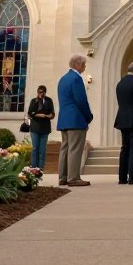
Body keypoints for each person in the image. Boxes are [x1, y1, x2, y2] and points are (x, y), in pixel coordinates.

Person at [56, 54, 93, 187]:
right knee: (75, 149)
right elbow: (81, 101)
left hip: (64, 119)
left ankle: (63, 177)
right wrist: (89, 116)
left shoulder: (63, 79)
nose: (84, 67)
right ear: (77, 64)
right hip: (76, 119)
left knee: (64, 148)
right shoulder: (76, 79)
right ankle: (73, 178)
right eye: (83, 64)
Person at [27, 85, 55, 170]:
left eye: (42, 92)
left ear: (45, 92)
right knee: (35, 148)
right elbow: (30, 113)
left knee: (42, 149)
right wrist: (39, 115)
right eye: (39, 92)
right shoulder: (34, 101)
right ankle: (33, 166)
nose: (40, 94)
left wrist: (46, 116)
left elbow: (52, 114)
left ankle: (41, 167)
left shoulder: (49, 100)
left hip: (45, 127)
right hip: (35, 127)